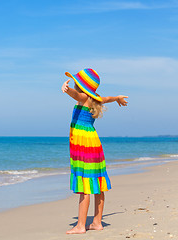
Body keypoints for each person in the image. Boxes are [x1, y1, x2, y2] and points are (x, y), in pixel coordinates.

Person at [61, 68, 128, 234]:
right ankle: (97, 222)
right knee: (96, 182)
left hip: (84, 145)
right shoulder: (96, 99)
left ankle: (80, 226)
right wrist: (118, 98)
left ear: (81, 86)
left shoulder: (83, 97)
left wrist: (67, 89)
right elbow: (109, 98)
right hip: (93, 144)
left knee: (85, 184)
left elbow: (76, 95)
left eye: (76, 83)